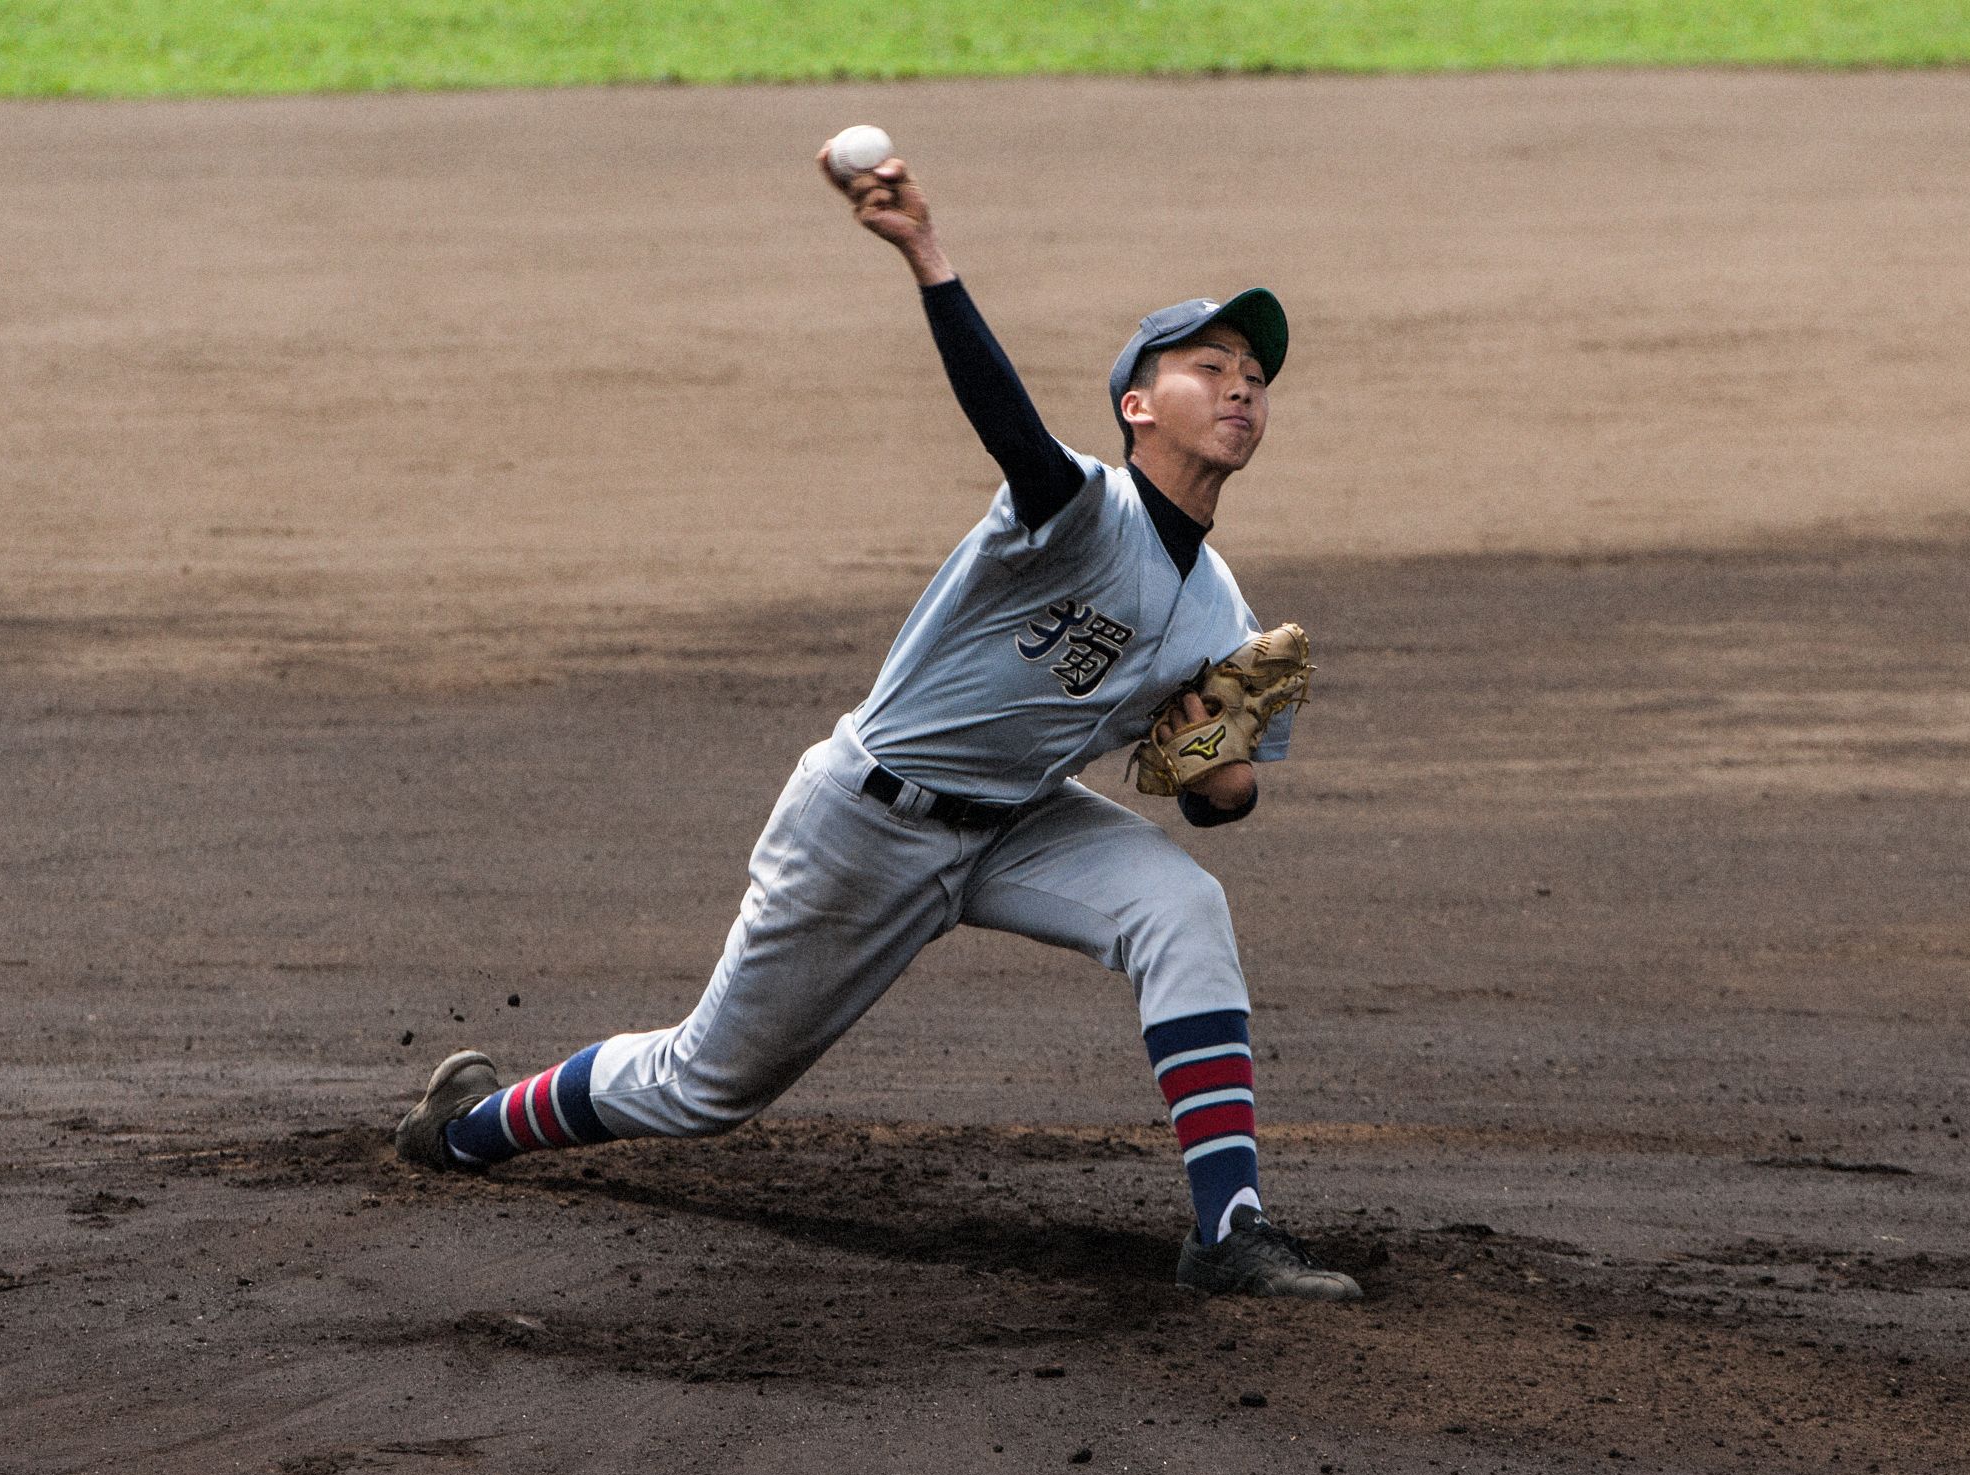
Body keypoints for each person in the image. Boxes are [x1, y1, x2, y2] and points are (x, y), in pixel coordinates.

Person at [393, 141, 1360, 1302]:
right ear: (1139, 404)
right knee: (711, 1087)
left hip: (1017, 824)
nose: (1245, 386)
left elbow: (1224, 806)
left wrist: (1215, 765)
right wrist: (925, 253)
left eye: (1257, 374)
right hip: (868, 819)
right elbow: (1008, 425)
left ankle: (1231, 1229)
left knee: (1182, 908)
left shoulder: (1226, 616)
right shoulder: (1080, 507)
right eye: (1213, 366)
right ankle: (469, 1126)